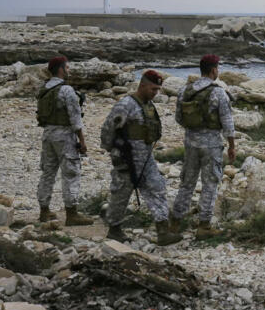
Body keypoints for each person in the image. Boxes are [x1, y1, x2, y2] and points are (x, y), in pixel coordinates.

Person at [101, 70, 180, 246]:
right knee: (121, 193)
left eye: (158, 89)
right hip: (127, 159)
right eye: (153, 89)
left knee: (157, 187)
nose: (155, 93)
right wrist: (112, 151)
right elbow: (108, 129)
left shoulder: (149, 106)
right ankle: (114, 230)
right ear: (142, 85)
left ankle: (162, 231)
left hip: (145, 158)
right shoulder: (126, 105)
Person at [171, 54, 236, 239]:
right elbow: (227, 123)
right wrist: (232, 146)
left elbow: (178, 118)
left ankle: (175, 222)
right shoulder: (218, 92)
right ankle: (204, 225)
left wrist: (194, 130)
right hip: (212, 145)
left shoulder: (185, 91)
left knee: (187, 183)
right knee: (210, 183)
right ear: (214, 69)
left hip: (191, 143)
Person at [36, 56, 92, 226]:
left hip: (48, 134)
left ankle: (44, 211)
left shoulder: (44, 89)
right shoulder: (66, 90)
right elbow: (76, 119)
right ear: (61, 69)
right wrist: (82, 141)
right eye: (67, 68)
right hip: (65, 135)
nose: (68, 70)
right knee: (71, 172)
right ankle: (72, 214)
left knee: (48, 173)